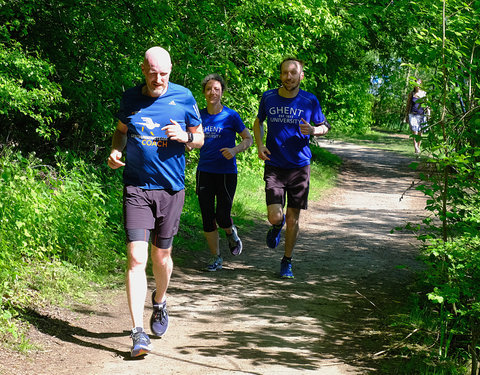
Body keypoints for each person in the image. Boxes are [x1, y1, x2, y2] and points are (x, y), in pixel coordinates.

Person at [107, 46, 204, 357]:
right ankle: (138, 333)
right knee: (136, 258)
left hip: (171, 189)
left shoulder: (184, 97)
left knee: (161, 258)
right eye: (152, 74)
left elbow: (200, 137)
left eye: (163, 74)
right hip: (136, 187)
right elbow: (120, 132)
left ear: (171, 70)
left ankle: (160, 301)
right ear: (143, 70)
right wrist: (116, 151)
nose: (157, 79)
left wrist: (186, 138)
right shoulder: (130, 99)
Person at [253, 57, 330, 279]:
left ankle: (287, 261)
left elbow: (324, 126)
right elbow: (259, 122)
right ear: (280, 74)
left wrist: (314, 131)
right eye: (285, 72)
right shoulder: (268, 97)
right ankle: (277, 226)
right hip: (275, 164)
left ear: (301, 75)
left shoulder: (309, 100)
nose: (289, 76)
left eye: (293, 73)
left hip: (299, 166)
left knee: (294, 216)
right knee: (275, 216)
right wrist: (260, 145)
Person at [196, 74, 253, 271]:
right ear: (204, 92)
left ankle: (230, 232)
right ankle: (216, 257)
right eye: (209, 89)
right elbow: (191, 138)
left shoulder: (231, 116)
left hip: (227, 172)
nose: (213, 92)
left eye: (217, 89)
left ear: (222, 92)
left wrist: (235, 150)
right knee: (206, 215)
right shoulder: (198, 116)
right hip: (205, 171)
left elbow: (248, 138)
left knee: (222, 215)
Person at [405, 78, 429, 154]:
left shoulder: (424, 93)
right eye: (416, 84)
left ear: (421, 84)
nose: (417, 85)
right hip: (413, 114)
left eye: (418, 84)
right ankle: (415, 147)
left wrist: (429, 113)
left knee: (420, 132)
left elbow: (427, 105)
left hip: (422, 114)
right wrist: (406, 115)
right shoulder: (411, 94)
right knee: (414, 131)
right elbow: (408, 105)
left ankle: (418, 147)